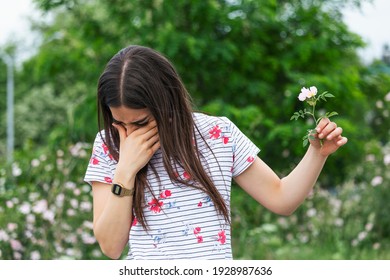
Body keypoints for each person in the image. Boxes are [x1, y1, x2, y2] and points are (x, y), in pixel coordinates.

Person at [84, 45, 348, 260]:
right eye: (120, 123)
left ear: (165, 101)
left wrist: (317, 154)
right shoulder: (109, 145)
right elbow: (111, 247)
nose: (129, 133)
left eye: (141, 123)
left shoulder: (217, 133)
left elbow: (282, 199)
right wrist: (126, 170)